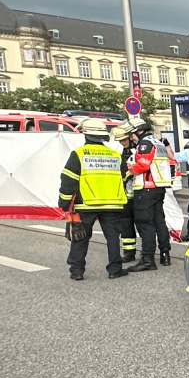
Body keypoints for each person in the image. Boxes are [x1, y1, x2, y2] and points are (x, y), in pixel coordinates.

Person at [59, 118, 131, 281]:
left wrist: (64, 202)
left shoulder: (78, 154)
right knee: (113, 237)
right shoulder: (116, 155)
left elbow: (69, 180)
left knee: (81, 237)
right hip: (113, 203)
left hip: (87, 203)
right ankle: (115, 269)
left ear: (86, 135)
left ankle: (77, 271)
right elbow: (125, 177)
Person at [123, 115, 172, 271]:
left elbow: (142, 166)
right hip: (159, 187)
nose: (130, 138)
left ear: (138, 131)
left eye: (131, 134)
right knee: (159, 221)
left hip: (146, 188)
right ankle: (165, 255)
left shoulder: (145, 144)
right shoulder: (158, 143)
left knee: (145, 224)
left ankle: (148, 259)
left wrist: (130, 167)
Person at [110, 125, 139, 263]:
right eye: (120, 141)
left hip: (140, 194)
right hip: (126, 196)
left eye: (123, 139)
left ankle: (147, 252)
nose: (122, 142)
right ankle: (129, 252)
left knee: (142, 224)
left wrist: (126, 175)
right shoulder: (124, 151)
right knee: (126, 225)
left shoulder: (137, 150)